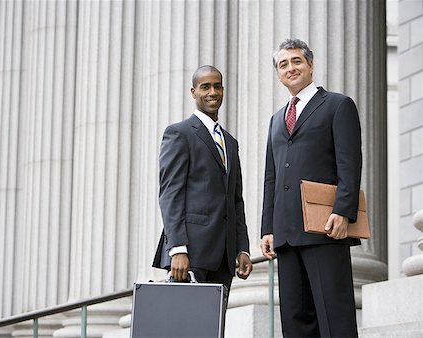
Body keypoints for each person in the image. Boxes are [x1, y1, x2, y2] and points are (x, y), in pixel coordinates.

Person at [260, 38, 361, 337]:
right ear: (278, 74)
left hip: (325, 228)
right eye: (283, 64)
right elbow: (271, 176)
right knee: (295, 319)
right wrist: (268, 227)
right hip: (287, 235)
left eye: (296, 61)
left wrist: (343, 211)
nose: (290, 68)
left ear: (311, 65)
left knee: (334, 315)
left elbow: (350, 162)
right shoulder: (276, 120)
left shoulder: (338, 105)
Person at [153, 65, 253, 292]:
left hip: (224, 257)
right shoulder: (179, 133)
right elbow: (170, 194)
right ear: (193, 92)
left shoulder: (230, 142)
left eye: (218, 86)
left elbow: (236, 200)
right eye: (205, 87)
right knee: (188, 326)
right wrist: (177, 248)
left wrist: (242, 248)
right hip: (190, 254)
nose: (213, 92)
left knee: (216, 325)